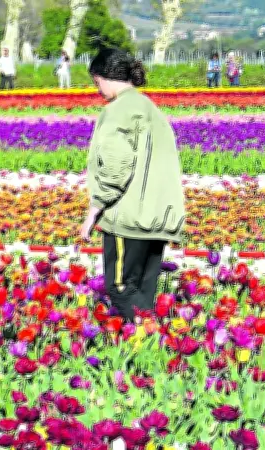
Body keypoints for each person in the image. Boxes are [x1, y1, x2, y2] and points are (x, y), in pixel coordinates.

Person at [80, 48, 186, 322]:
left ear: (102, 77)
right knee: (142, 289)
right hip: (157, 218)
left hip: (129, 217)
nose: (98, 90)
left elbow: (116, 166)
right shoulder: (149, 108)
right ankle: (147, 352)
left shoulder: (119, 111)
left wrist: (95, 209)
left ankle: (155, 337)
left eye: (96, 83)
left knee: (120, 288)